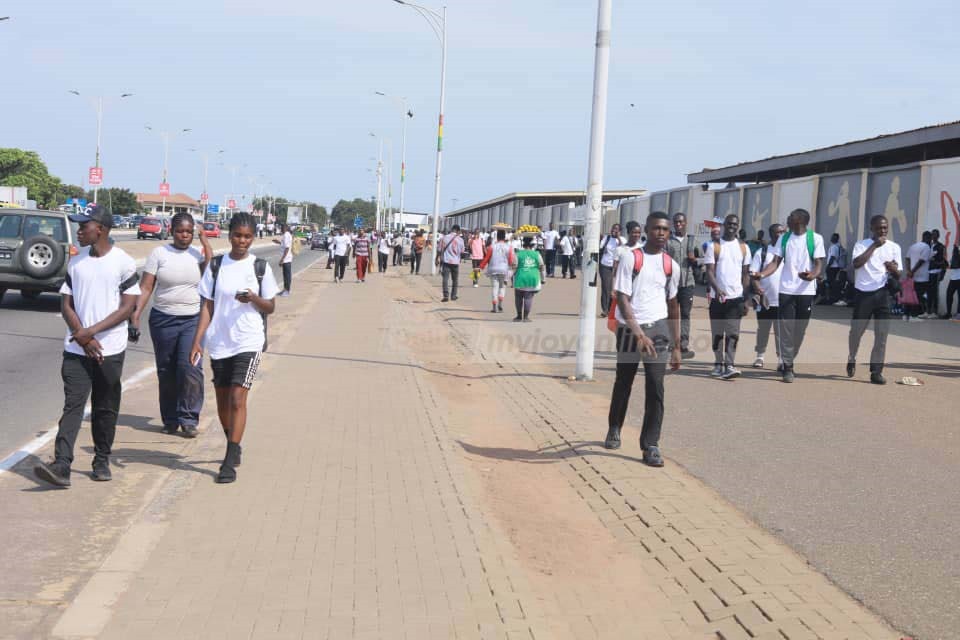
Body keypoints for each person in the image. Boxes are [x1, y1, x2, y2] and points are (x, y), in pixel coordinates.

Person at [34, 205, 141, 487]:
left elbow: (127, 308)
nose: (79, 231)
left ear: (101, 229)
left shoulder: (123, 262)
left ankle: (101, 460)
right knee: (73, 404)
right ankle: (62, 465)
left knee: (105, 406)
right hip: (76, 349)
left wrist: (91, 333)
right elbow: (66, 304)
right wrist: (81, 335)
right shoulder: (76, 262)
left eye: (84, 226)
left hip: (110, 349)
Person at [190, 213, 278, 484]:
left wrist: (253, 298)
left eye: (247, 236)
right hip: (220, 342)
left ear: (253, 238)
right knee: (223, 400)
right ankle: (234, 441)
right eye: (238, 235)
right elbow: (207, 305)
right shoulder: (216, 266)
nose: (242, 241)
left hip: (248, 341)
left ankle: (229, 458)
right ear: (230, 236)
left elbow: (270, 307)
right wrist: (197, 340)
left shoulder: (260, 267)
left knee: (238, 399)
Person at [603, 212, 681, 468]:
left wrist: (677, 345)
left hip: (658, 330)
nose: (661, 233)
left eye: (665, 229)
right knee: (624, 381)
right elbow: (622, 298)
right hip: (630, 331)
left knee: (656, 387)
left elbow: (673, 304)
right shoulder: (631, 258)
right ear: (647, 230)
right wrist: (638, 334)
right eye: (657, 228)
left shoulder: (671, 265)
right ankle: (614, 426)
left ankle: (650, 445)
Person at [131, 212, 212, 438]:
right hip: (163, 320)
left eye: (188, 232)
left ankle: (189, 419)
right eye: (179, 231)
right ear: (171, 231)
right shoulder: (159, 254)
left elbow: (209, 277)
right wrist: (135, 316)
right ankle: (170, 419)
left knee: (190, 368)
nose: (184, 235)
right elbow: (146, 287)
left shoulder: (197, 254)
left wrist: (206, 244)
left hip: (192, 320)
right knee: (166, 370)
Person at [752, 208, 825, 383]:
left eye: (791, 216)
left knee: (799, 330)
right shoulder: (784, 239)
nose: (788, 218)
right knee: (786, 329)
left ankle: (789, 357)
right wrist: (761, 274)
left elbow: (818, 264)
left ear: (800, 220)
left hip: (806, 291)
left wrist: (812, 276)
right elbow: (775, 262)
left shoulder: (815, 239)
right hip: (786, 291)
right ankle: (788, 367)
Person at [847, 215, 902, 385]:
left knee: (881, 335)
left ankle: (876, 371)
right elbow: (857, 263)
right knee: (856, 332)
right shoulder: (861, 245)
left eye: (885, 228)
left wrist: (893, 269)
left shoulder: (894, 247)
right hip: (864, 294)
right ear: (871, 228)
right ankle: (852, 357)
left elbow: (899, 274)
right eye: (879, 228)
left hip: (883, 294)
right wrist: (874, 246)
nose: (882, 231)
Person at [703, 214, 751, 380]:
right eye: (729, 223)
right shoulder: (714, 246)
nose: (732, 226)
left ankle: (729, 365)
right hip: (717, 298)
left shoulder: (744, 247)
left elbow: (746, 274)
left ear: (738, 226)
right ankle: (718, 363)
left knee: (733, 333)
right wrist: (717, 289)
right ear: (724, 225)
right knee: (717, 333)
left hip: (736, 298)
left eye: (735, 224)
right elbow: (709, 271)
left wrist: (746, 298)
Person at [750, 223, 784, 370]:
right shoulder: (762, 252)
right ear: (771, 234)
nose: (781, 235)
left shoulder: (787, 252)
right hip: (765, 299)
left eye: (783, 232)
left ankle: (781, 359)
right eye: (778, 232)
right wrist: (759, 290)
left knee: (781, 331)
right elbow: (753, 274)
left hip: (782, 300)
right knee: (763, 329)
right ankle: (760, 356)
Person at [666, 213, 698, 359]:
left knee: (685, 314)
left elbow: (703, 260)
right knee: (671, 315)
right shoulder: (668, 241)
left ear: (685, 223)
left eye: (681, 222)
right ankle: (671, 344)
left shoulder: (692, 241)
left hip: (687, 284)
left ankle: (684, 346)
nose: (678, 224)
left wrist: (695, 260)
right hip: (671, 284)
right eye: (676, 222)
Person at [478, 229, 515, 313]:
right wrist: (511, 267)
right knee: (502, 287)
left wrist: (480, 267)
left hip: (493, 269)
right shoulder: (509, 247)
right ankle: (500, 304)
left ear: (497, 237)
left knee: (495, 287)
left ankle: (494, 306)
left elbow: (486, 258)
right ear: (504, 237)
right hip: (504, 270)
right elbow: (510, 260)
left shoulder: (492, 247)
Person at [513, 236, 545, 322]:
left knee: (518, 297)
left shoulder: (518, 254)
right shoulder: (537, 254)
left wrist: (509, 277)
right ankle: (526, 317)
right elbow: (542, 267)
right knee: (528, 297)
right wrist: (543, 278)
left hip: (520, 278)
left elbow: (514, 267)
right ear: (532, 245)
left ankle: (519, 316)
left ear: (523, 244)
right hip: (532, 278)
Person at [906, 232, 933, 319]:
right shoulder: (926, 247)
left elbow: (907, 258)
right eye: (930, 239)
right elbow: (921, 261)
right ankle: (917, 314)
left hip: (913, 277)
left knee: (915, 294)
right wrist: (912, 271)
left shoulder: (913, 246)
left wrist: (909, 271)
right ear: (927, 238)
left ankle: (911, 313)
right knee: (920, 295)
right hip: (923, 277)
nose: (931, 241)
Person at [598, 223, 623, 317]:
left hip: (616, 267)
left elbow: (623, 249)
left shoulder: (622, 240)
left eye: (616, 229)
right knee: (605, 288)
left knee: (614, 289)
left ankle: (611, 309)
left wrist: (618, 238)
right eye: (613, 228)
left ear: (620, 231)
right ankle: (605, 309)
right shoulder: (607, 238)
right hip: (605, 265)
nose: (614, 230)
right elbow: (601, 246)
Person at [438, 225, 464, 302]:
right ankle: (453, 296)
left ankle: (446, 295)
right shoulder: (460, 240)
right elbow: (462, 251)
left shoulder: (444, 238)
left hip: (446, 261)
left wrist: (437, 258)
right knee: (455, 280)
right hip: (456, 262)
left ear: (452, 229)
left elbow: (439, 249)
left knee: (445, 279)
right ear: (458, 231)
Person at [824, 233, 848, 306]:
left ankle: (831, 299)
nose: (831, 238)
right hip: (835, 267)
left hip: (832, 267)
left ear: (836, 239)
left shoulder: (834, 247)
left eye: (833, 237)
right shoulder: (838, 246)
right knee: (833, 283)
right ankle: (833, 298)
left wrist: (828, 266)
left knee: (830, 283)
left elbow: (832, 257)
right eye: (832, 237)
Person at [928, 229, 947, 317]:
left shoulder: (941, 246)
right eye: (932, 234)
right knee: (929, 291)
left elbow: (943, 261)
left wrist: (934, 261)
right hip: (928, 272)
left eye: (935, 234)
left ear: (938, 236)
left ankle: (935, 312)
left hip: (936, 272)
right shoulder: (929, 245)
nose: (933, 236)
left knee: (934, 292)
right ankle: (928, 311)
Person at [272, 224, 293, 297]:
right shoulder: (287, 235)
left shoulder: (286, 235)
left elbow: (287, 248)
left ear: (285, 228)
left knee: (287, 276)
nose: (281, 229)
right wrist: (278, 242)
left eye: (281, 228)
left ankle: (287, 291)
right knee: (285, 275)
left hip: (286, 259)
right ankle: (285, 290)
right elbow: (284, 245)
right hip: (287, 259)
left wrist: (282, 259)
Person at [947, 245, 960, 320]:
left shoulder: (956, 250)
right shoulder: (956, 249)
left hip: (958, 277)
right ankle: (949, 313)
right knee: (949, 294)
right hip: (953, 277)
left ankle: (959, 314)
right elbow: (952, 264)